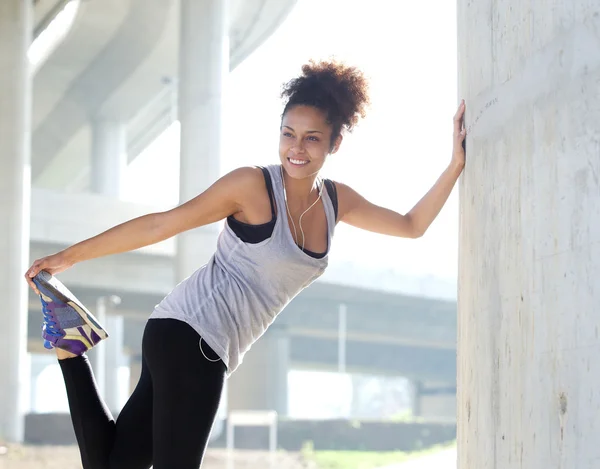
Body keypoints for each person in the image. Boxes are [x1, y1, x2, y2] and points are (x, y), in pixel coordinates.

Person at [25, 59, 466, 469]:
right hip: (194, 336)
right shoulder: (251, 186)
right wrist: (68, 257)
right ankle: (68, 344)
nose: (297, 148)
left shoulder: (337, 201)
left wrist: (454, 165)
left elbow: (411, 226)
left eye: (312, 138)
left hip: (186, 335)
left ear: (335, 142)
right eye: (288, 133)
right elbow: (162, 225)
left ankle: (68, 345)